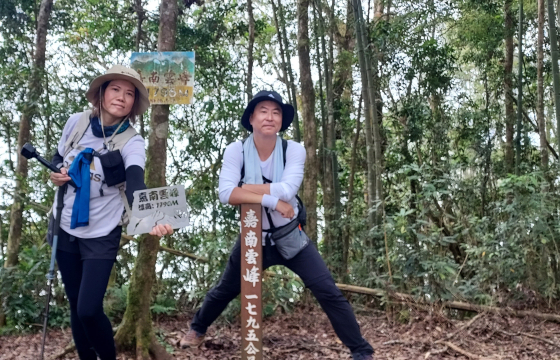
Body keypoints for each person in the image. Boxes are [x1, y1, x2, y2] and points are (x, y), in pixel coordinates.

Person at [179, 90, 375, 360]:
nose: (270, 117)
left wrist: (246, 188)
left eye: (276, 112)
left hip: (289, 235)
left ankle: (361, 350)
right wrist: (272, 201)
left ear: (282, 121)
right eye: (263, 111)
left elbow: (287, 189)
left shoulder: (292, 150)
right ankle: (197, 329)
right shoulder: (236, 150)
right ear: (251, 118)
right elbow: (226, 195)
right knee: (225, 289)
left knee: (327, 290)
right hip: (253, 238)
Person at [48, 65, 172, 360]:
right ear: (101, 95)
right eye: (115, 89)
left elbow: (135, 182)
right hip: (63, 224)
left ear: (134, 105)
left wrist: (150, 218)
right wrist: (56, 173)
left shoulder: (133, 141)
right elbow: (57, 157)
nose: (122, 97)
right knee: (76, 306)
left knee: (89, 309)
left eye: (129, 93)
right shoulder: (75, 123)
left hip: (102, 232)